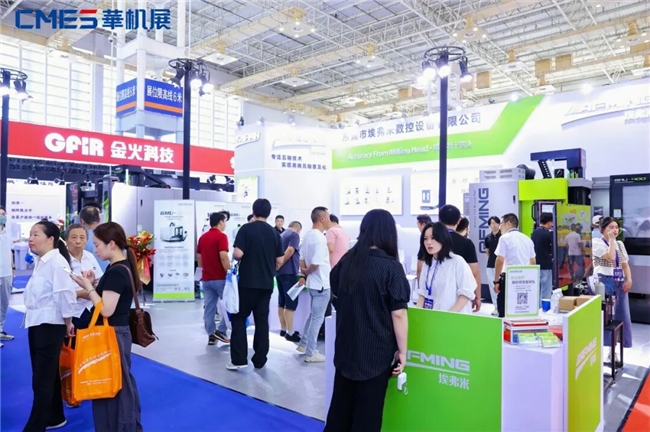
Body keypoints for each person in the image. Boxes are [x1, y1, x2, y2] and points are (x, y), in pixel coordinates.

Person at [324, 209, 409, 432]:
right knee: (367, 416)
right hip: (376, 351)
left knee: (340, 411)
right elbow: (398, 313)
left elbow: (336, 295)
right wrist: (403, 351)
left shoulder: (347, 260)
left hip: (346, 347)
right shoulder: (391, 267)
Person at [70, 222, 142, 432]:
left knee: (113, 384)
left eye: (97, 244)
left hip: (112, 333)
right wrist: (94, 284)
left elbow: (106, 309)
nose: (95, 249)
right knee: (116, 382)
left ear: (112, 244)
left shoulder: (116, 271)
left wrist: (88, 287)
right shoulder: (119, 267)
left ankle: (121, 426)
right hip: (117, 332)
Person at [23, 220, 77, 431]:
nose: (31, 239)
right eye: (30, 234)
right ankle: (55, 416)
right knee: (47, 373)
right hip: (37, 322)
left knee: (41, 378)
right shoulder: (42, 261)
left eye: (36, 234)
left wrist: (68, 322)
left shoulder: (57, 262)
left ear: (51, 239)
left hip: (50, 324)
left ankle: (36, 425)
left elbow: (65, 295)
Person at [229, 199, 284, 370]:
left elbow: (238, 254)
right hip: (266, 284)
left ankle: (239, 360)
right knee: (262, 321)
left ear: (253, 211)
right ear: (269, 213)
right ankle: (260, 360)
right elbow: (280, 260)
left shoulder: (246, 229)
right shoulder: (275, 233)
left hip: (247, 283)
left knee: (239, 319)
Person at [592, 217, 633, 350]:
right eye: (611, 227)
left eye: (616, 227)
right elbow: (610, 257)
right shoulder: (596, 242)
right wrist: (611, 240)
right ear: (602, 229)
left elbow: (625, 264)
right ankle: (606, 344)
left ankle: (623, 343)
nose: (614, 230)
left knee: (622, 311)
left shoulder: (620, 244)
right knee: (606, 314)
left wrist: (629, 279)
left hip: (619, 279)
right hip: (603, 279)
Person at [297, 207, 332, 363]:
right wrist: (307, 270)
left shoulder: (307, 235)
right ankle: (310, 353)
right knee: (317, 318)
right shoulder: (319, 238)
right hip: (321, 283)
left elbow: (302, 257)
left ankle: (304, 344)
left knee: (313, 315)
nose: (329, 220)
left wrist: (304, 271)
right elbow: (316, 263)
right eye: (328, 217)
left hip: (313, 283)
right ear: (322, 219)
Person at [416, 222, 476, 313]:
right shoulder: (427, 264)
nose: (428, 242)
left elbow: (466, 294)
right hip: (433, 317)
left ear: (442, 239)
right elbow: (423, 293)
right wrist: (417, 314)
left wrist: (448, 316)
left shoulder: (457, 261)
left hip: (454, 317)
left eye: (433, 238)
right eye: (425, 238)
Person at [438, 205, 481, 312]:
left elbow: (420, 268)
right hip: (460, 296)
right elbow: (474, 272)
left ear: (439, 220)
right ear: (458, 221)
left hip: (436, 294)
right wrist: (477, 296)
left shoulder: (430, 243)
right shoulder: (467, 243)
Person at [197, 212, 230, 345]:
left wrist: (204, 270)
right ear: (220, 222)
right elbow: (223, 256)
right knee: (228, 305)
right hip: (220, 278)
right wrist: (228, 272)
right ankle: (221, 330)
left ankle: (211, 334)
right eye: (224, 222)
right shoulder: (222, 236)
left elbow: (199, 257)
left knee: (209, 307)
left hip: (206, 278)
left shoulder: (203, 238)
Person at [494, 214, 537, 318]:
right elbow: (533, 261)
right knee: (521, 308)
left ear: (508, 223)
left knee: (505, 310)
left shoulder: (504, 238)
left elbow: (499, 260)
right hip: (525, 279)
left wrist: (496, 281)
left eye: (501, 223)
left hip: (509, 278)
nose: (500, 227)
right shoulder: (527, 239)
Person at [277, 221, 302, 342]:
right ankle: (290, 332)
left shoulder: (280, 235)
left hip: (279, 273)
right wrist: (282, 263)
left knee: (282, 301)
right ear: (298, 229)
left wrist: (278, 265)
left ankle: (283, 329)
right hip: (290, 272)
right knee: (290, 302)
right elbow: (291, 250)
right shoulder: (294, 235)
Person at [531, 213, 554, 303]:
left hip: (535, 265)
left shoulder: (534, 233)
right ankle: (545, 308)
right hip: (546, 265)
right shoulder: (548, 234)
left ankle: (537, 307)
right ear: (549, 222)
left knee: (537, 289)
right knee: (546, 290)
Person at [0, 205, 15, 348]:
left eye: (3, 214)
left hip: (6, 273)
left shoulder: (7, 233)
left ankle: (0, 330)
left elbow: (10, 251)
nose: (2, 216)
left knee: (4, 303)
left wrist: (13, 268)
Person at [80, 206, 108, 272]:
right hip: (109, 273)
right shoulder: (110, 233)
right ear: (99, 219)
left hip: (90, 275)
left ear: (82, 221)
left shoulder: (82, 238)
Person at [484, 216, 501, 316]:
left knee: (501, 287)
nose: (494, 225)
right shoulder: (487, 237)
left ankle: (502, 306)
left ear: (499, 224)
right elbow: (488, 252)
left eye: (496, 223)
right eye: (492, 223)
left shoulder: (503, 236)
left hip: (501, 266)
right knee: (492, 287)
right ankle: (496, 307)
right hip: (490, 265)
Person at [415, 214, 433, 281]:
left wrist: (419, 282)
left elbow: (421, 260)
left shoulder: (424, 237)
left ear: (423, 225)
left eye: (418, 224)